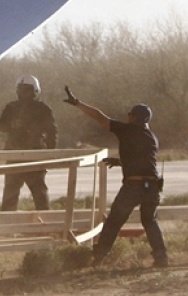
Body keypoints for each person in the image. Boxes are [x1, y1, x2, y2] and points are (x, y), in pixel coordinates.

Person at [62, 86, 168, 268]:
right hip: (152, 187)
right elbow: (142, 158)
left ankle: (99, 258)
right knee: (150, 221)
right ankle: (161, 258)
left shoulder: (127, 130)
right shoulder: (152, 137)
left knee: (114, 221)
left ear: (134, 117)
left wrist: (77, 103)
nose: (127, 116)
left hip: (133, 187)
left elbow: (100, 117)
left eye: (129, 114)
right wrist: (121, 161)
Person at [0, 75, 58, 211]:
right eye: (21, 89)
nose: (24, 93)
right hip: (14, 155)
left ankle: (45, 224)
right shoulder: (11, 107)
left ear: (35, 91)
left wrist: (50, 153)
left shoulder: (42, 109)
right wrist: (11, 124)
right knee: (10, 193)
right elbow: (0, 125)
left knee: (39, 192)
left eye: (27, 90)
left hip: (34, 156)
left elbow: (51, 131)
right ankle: (8, 226)